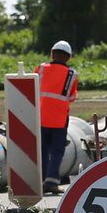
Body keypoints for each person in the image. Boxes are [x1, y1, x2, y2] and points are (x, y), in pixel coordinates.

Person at [37, 41, 79, 195]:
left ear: (52, 53)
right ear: (68, 57)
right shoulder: (71, 74)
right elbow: (72, 96)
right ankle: (52, 182)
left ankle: (40, 182)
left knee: (41, 150)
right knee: (57, 151)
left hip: (40, 118)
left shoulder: (41, 69)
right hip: (59, 120)